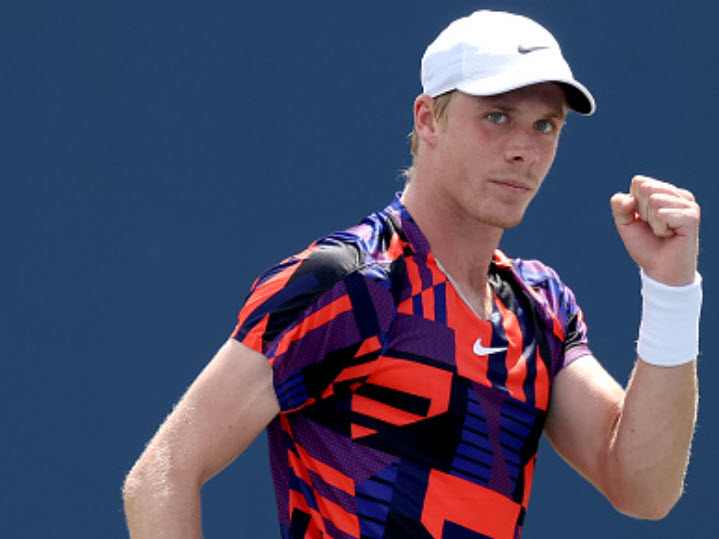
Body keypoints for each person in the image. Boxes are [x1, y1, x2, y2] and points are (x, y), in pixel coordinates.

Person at [122, 10, 702, 539]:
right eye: (496, 117)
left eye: (545, 126)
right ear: (428, 118)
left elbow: (643, 489)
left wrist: (671, 289)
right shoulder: (350, 280)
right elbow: (162, 473)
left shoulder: (540, 307)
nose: (524, 148)